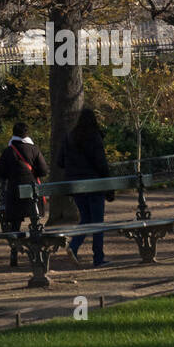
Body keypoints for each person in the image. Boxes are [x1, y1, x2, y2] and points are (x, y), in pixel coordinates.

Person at [56, 106, 112, 267]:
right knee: (97, 222)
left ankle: (74, 246)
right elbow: (101, 163)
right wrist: (108, 184)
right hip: (94, 184)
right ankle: (98, 257)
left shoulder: (69, 137)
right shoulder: (94, 136)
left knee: (86, 218)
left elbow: (60, 162)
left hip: (76, 185)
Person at [0, 122, 48, 267]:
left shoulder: (8, 151)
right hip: (32, 194)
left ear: (13, 134)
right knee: (35, 221)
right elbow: (44, 171)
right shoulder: (34, 149)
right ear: (27, 133)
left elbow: (0, 172)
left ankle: (14, 252)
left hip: (14, 193)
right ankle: (37, 254)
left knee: (15, 224)